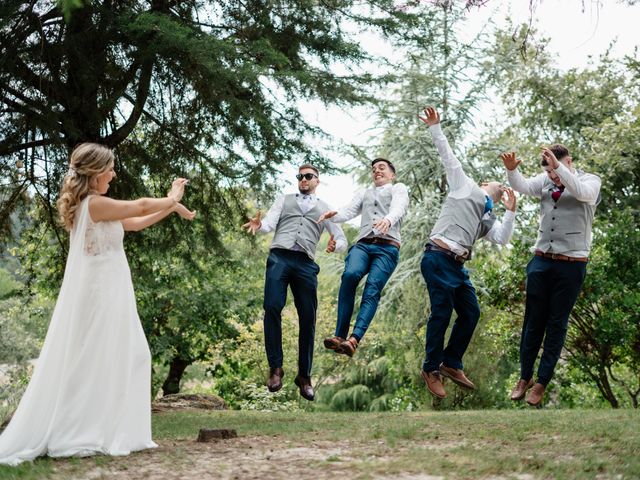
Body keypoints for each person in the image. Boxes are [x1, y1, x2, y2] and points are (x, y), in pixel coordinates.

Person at [0, 143, 196, 465]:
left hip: (113, 289)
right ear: (94, 174)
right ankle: (81, 430)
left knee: (126, 354)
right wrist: (172, 196)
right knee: (103, 356)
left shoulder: (95, 207)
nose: (114, 173)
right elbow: (140, 204)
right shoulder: (95, 204)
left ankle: (111, 428)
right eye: (110, 168)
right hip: (102, 293)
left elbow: (135, 222)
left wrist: (171, 209)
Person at [418, 106, 517, 399]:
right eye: (497, 184)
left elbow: (501, 239)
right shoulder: (466, 188)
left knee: (471, 312)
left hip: (458, 267)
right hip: (438, 255)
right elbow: (448, 158)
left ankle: (451, 362)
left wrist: (510, 212)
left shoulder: (489, 217)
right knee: (442, 312)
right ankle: (431, 368)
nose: (502, 187)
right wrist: (435, 127)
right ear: (485, 184)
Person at [501, 147, 601, 407]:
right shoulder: (546, 180)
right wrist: (512, 170)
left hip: (572, 264)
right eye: (548, 171)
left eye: (556, 169)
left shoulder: (590, 181)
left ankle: (542, 382)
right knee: (533, 321)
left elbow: (581, 192)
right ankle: (524, 377)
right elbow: (522, 185)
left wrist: (559, 169)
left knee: (557, 323)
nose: (553, 177)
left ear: (569, 161)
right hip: (541, 260)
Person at [243, 164, 346, 401]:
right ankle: (276, 368)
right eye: (300, 176)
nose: (303, 179)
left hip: (306, 263)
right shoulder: (284, 199)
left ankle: (304, 375)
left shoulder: (326, 208)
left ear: (317, 181)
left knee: (308, 317)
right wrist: (259, 226)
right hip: (280, 257)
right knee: (271, 306)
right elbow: (268, 224)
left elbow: (341, 239)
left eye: (308, 176)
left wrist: (334, 245)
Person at [318, 158, 409, 356]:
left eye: (382, 168)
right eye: (374, 169)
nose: (377, 171)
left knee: (372, 289)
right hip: (364, 245)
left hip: (388, 248)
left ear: (392, 174)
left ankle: (354, 339)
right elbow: (348, 211)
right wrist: (334, 215)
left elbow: (399, 207)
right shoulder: (364, 193)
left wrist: (388, 219)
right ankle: (339, 336)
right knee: (350, 275)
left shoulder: (398, 189)